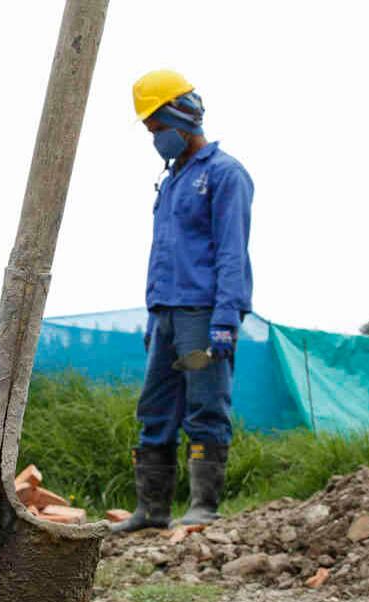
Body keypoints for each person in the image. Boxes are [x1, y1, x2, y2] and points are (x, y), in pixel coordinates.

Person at [111, 70, 254, 533]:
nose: (156, 138)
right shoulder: (172, 181)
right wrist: (154, 315)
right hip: (167, 314)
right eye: (151, 131)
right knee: (154, 411)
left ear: (180, 115)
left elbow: (232, 251)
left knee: (204, 407)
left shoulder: (224, 174)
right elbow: (163, 254)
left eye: (157, 128)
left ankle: (203, 508)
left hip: (203, 315)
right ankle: (151, 512)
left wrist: (226, 319)